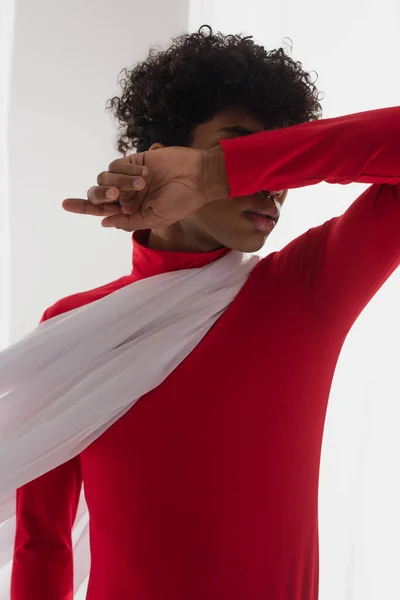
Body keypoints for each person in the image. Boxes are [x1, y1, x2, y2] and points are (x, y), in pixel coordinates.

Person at [11, 25, 400, 600]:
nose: (274, 184)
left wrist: (220, 170)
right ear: (162, 152)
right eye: (237, 144)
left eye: (276, 161)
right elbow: (42, 544)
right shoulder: (75, 326)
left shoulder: (304, 291)